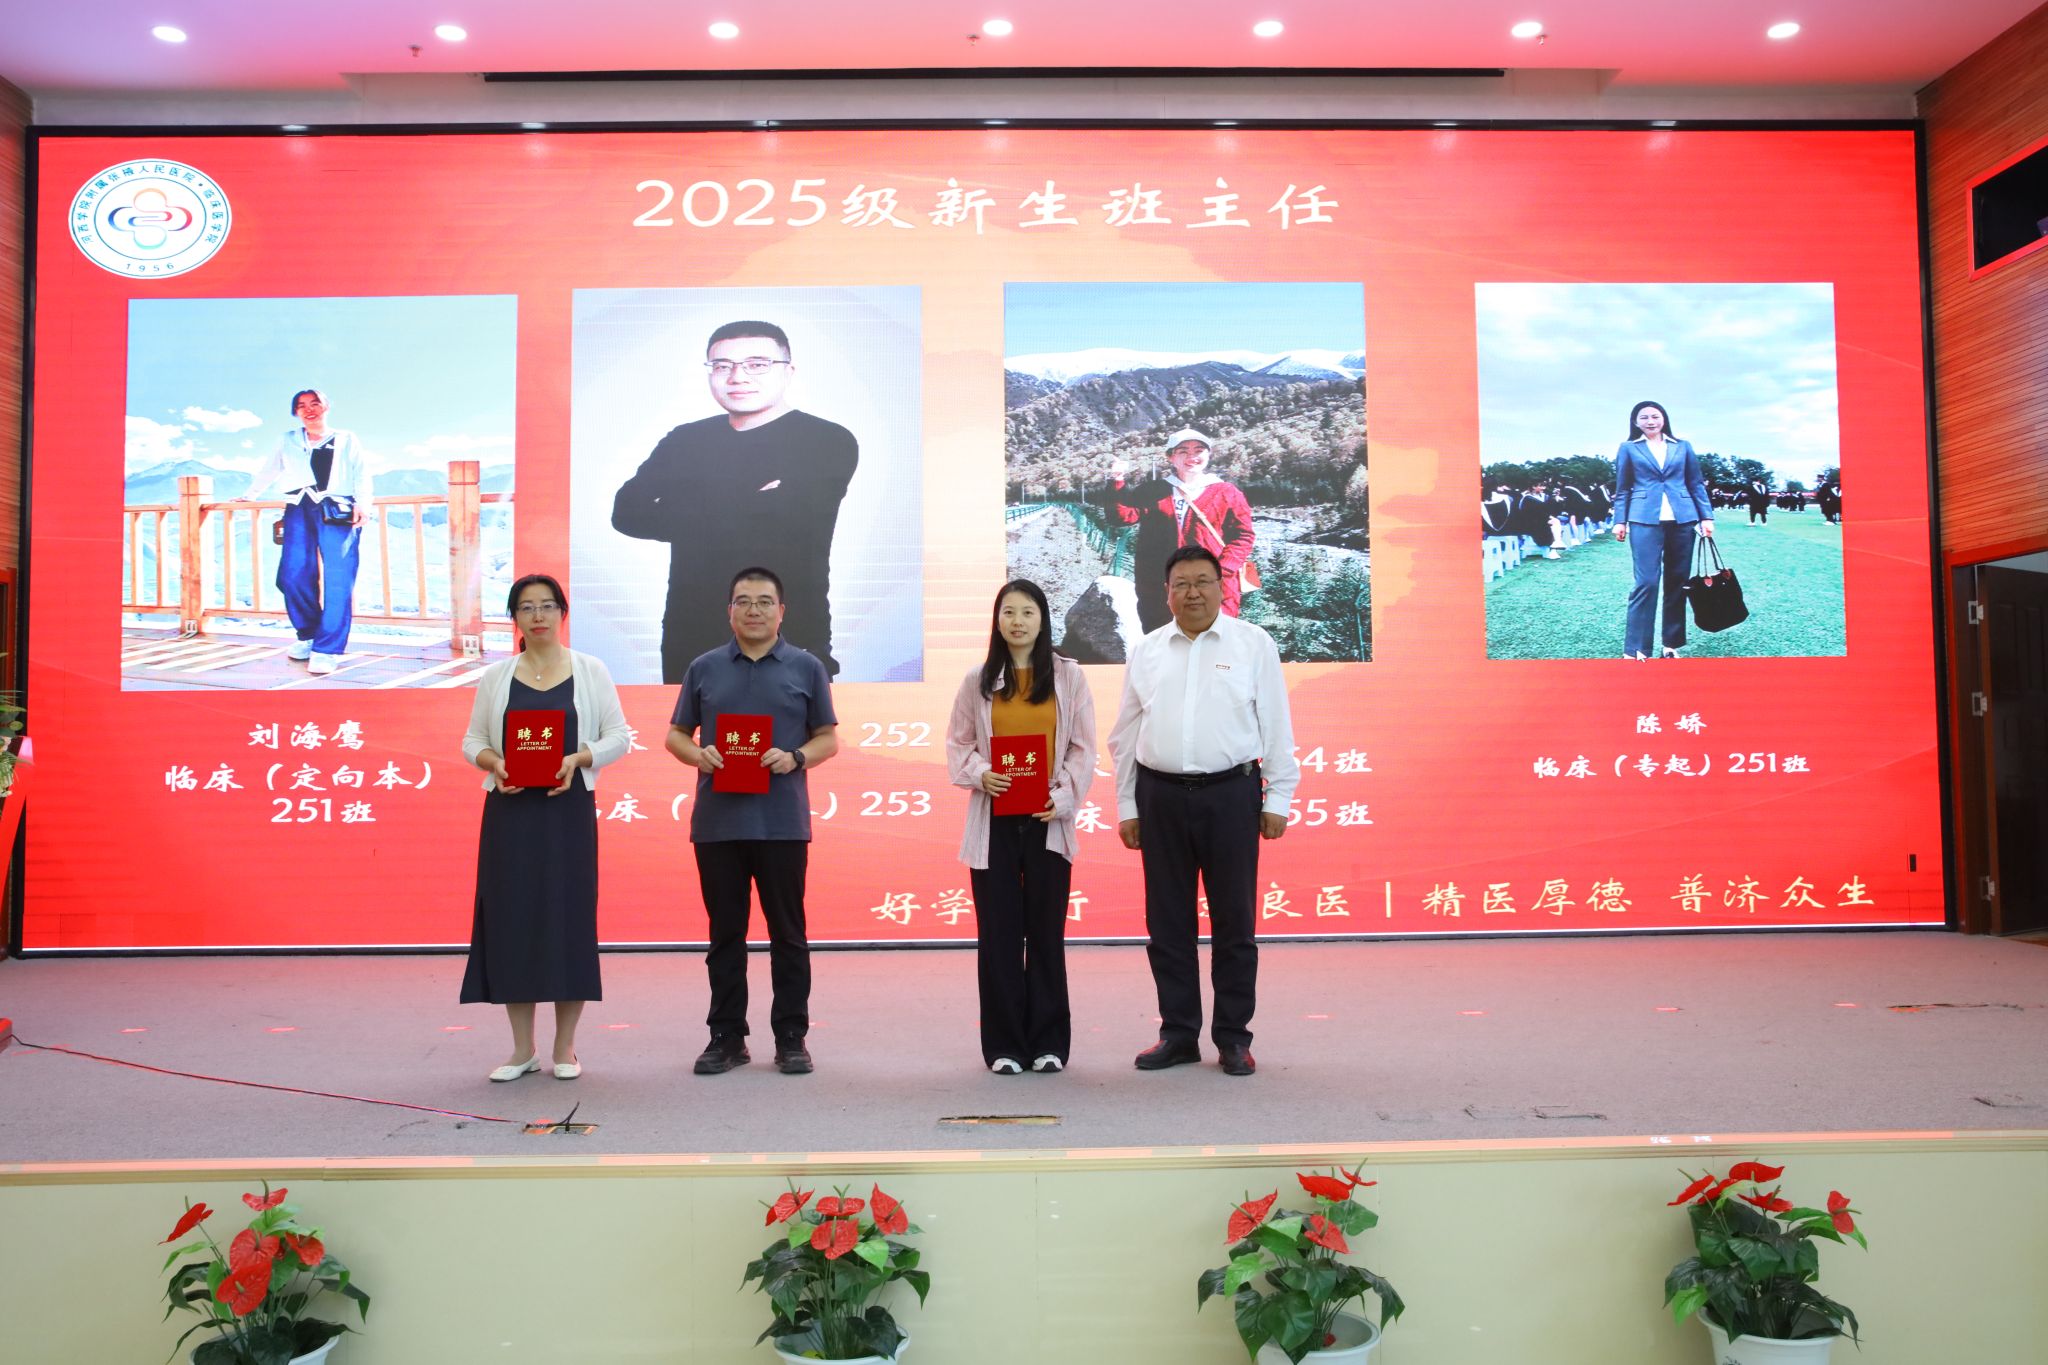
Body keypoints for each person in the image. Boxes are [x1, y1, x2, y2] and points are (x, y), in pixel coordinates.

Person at [1107, 545, 1298, 1077]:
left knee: (1234, 922)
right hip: (1160, 797)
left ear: (1221, 586)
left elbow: (1276, 724)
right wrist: (1127, 805)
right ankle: (1178, 1034)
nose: (1193, 593)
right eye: (1182, 584)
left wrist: (1278, 797)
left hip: (1231, 796)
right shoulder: (1147, 650)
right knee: (1168, 924)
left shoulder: (1253, 644)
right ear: (1166, 592)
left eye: (1203, 582)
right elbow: (1124, 736)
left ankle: (1233, 1037)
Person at [612, 321, 859, 681]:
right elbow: (625, 512)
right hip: (689, 637)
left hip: (790, 635)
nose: (737, 377)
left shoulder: (826, 440)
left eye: (757, 364)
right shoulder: (686, 439)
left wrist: (688, 501)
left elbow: (784, 518)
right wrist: (746, 500)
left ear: (788, 371)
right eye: (722, 365)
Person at [459, 573, 632, 1082]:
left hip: (567, 813)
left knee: (567, 920)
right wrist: (495, 763)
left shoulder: (590, 670)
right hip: (510, 815)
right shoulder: (497, 676)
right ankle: (521, 1050)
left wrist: (580, 757)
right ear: (514, 617)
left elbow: (619, 736)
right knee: (512, 921)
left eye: (548, 606)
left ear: (562, 613)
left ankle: (565, 1048)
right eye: (527, 607)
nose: (538, 616)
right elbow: (472, 742)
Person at [667, 567, 839, 1076]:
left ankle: (791, 1036)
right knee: (725, 936)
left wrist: (795, 757)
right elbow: (676, 735)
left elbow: (828, 738)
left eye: (764, 601)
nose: (754, 610)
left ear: (781, 611)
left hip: (782, 823)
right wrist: (698, 754)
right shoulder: (704, 667)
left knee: (789, 935)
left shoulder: (806, 667)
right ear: (730, 611)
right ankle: (726, 1037)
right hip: (717, 824)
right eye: (743, 601)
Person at [944, 579, 1098, 1075]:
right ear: (997, 621)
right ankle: (1005, 1045)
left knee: (1046, 934)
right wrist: (980, 774)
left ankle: (1049, 1042)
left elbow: (1083, 748)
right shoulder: (978, 679)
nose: (1017, 622)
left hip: (1048, 818)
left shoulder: (1069, 676)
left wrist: (1064, 797)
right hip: (994, 820)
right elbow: (958, 745)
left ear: (1042, 620)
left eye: (1027, 612)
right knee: (999, 936)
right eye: (1008, 612)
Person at [244, 388, 372, 676]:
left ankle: (328, 649)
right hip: (298, 508)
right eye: (302, 405)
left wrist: (364, 505)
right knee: (292, 575)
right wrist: (249, 495)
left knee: (339, 579)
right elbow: (270, 469)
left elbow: (361, 472)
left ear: (326, 407)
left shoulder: (346, 438)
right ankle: (309, 634)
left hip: (337, 509)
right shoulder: (287, 439)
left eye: (315, 403)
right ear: (295, 412)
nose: (309, 409)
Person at [1095, 429, 1257, 633]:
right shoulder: (1153, 491)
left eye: (1198, 450)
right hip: (1160, 583)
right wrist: (1117, 480)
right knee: (1164, 638)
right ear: (1170, 457)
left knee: (1211, 639)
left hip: (1211, 583)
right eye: (1183, 451)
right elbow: (1120, 517)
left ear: (1208, 455)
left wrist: (1222, 569)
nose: (1191, 456)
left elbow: (1244, 535)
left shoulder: (1227, 492)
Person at [1612, 400, 1715, 660]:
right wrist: (1619, 521)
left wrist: (1706, 516)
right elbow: (1623, 488)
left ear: (1664, 419)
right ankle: (1636, 648)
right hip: (1643, 519)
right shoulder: (1628, 448)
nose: (1650, 421)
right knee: (1646, 582)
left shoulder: (1683, 446)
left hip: (1683, 519)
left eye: (1655, 416)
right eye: (1644, 417)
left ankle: (1671, 644)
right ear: (1635, 422)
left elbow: (1696, 483)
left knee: (1678, 582)